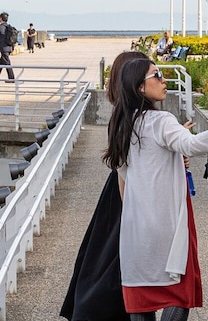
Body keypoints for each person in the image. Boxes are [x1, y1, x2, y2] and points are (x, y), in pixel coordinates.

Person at [108, 59, 208, 321]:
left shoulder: (122, 125)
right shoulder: (161, 120)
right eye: (158, 75)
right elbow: (192, 145)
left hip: (135, 229)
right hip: (167, 224)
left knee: (141, 301)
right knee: (177, 293)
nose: (164, 81)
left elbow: (125, 177)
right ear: (140, 87)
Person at [60, 50, 152, 321]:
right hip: (124, 196)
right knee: (117, 267)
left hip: (114, 198)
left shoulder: (122, 115)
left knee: (101, 263)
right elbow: (126, 170)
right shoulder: (133, 118)